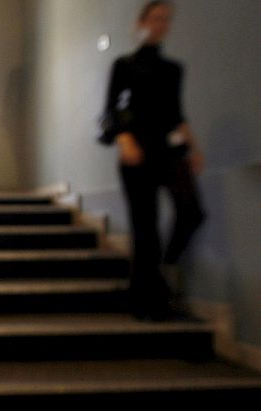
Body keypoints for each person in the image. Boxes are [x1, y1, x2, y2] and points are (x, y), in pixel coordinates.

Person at [103, 0, 205, 320]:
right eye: (155, 17)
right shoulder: (124, 65)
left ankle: (161, 270)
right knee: (145, 227)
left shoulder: (174, 69)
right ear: (141, 22)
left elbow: (177, 114)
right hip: (136, 152)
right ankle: (146, 302)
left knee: (192, 211)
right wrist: (124, 140)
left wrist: (194, 148)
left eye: (166, 19)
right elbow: (113, 110)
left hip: (169, 150)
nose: (161, 23)